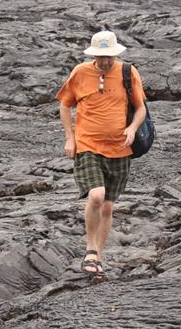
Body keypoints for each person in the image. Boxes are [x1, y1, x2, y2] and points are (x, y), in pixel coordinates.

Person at [56, 30, 146, 281]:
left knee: (108, 205)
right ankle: (89, 249)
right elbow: (65, 104)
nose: (105, 61)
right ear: (93, 54)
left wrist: (132, 128)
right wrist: (69, 137)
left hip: (120, 148)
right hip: (87, 144)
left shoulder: (128, 72)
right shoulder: (80, 72)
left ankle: (98, 256)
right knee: (96, 195)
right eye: (100, 56)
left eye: (109, 56)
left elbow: (140, 109)